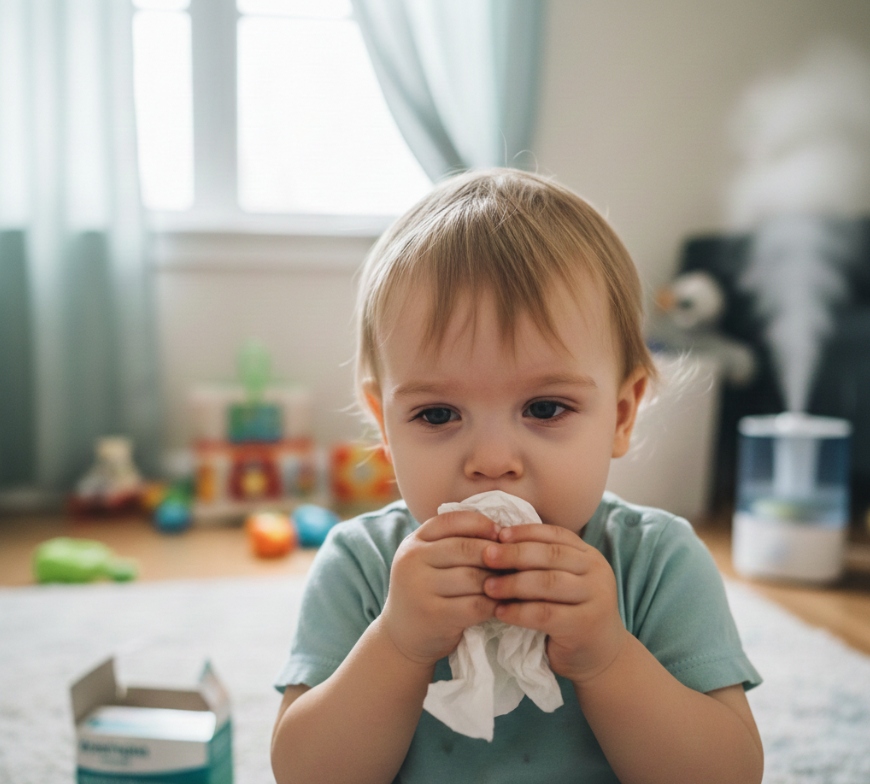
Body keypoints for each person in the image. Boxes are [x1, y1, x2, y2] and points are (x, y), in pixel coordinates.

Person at [271, 169, 763, 784]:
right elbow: (305, 773)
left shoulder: (657, 562)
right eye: (437, 414)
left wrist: (609, 657)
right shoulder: (362, 565)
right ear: (386, 428)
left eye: (545, 408)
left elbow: (729, 773)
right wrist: (397, 643)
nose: (492, 460)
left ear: (620, 415)